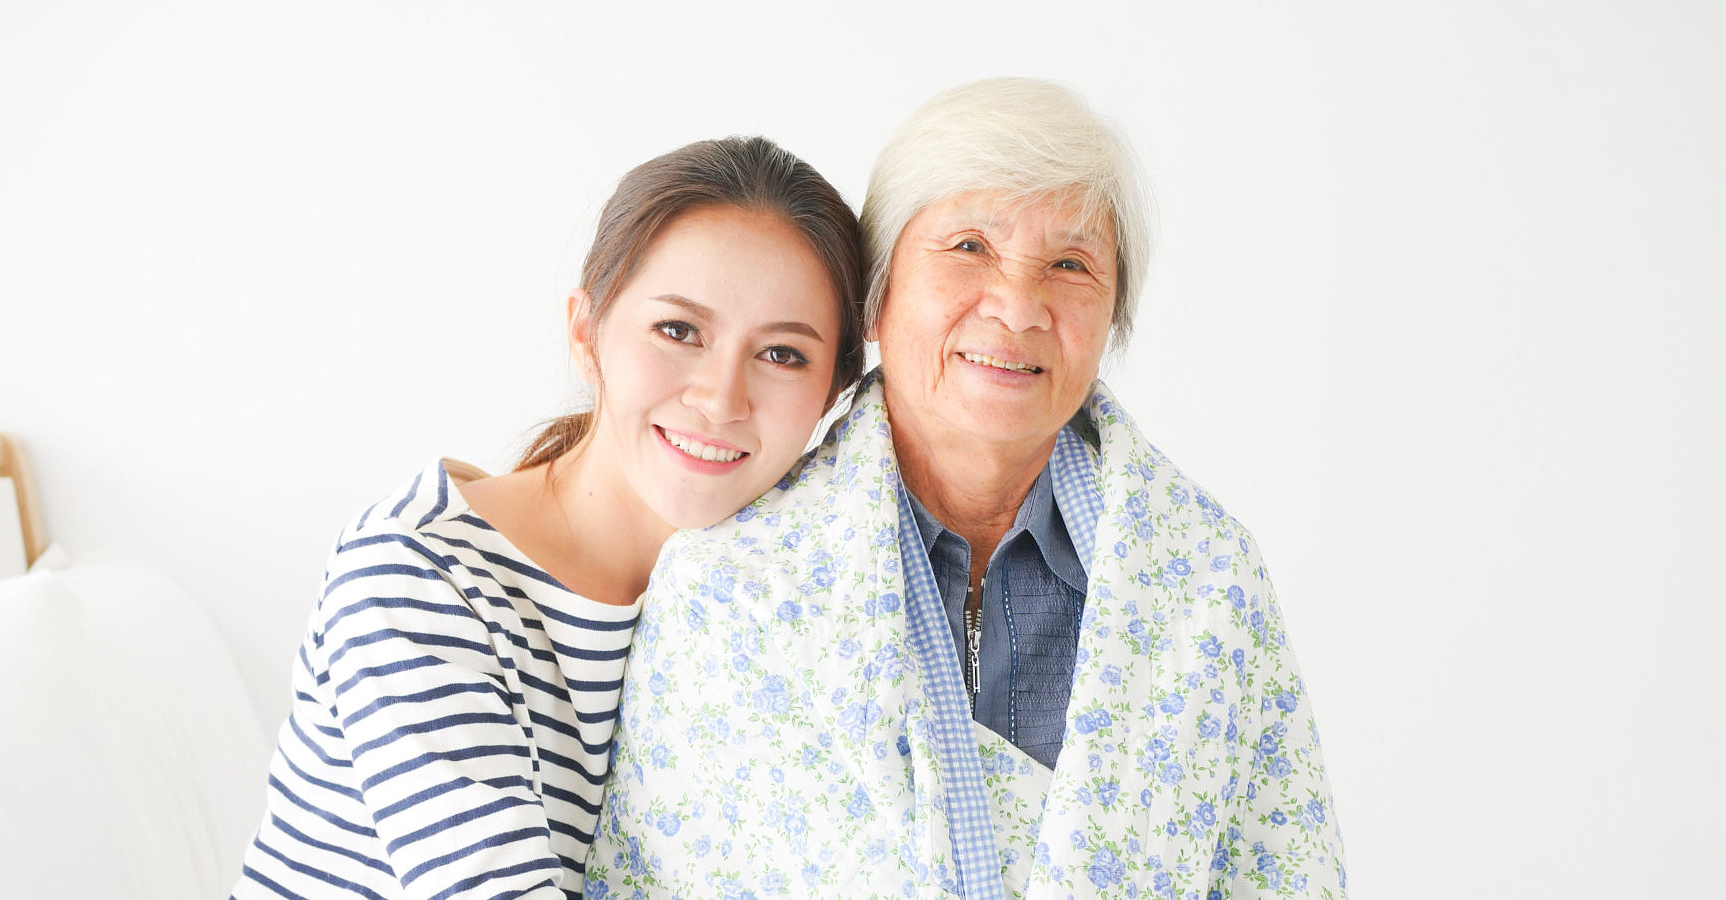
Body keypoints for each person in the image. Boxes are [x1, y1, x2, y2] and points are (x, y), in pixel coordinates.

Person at [590, 79, 1345, 898]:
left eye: (1069, 264)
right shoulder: (732, 585)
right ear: (875, 299)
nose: (1018, 307)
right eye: (969, 248)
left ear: (1113, 317)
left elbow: (1288, 870)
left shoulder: (1209, 580)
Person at [231, 135, 866, 900]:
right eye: (679, 331)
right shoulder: (414, 575)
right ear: (586, 332)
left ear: (835, 395)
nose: (722, 398)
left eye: (784, 355)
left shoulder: (768, 593)